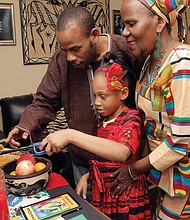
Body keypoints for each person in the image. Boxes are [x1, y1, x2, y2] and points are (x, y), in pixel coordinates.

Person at [5, 6, 132, 187]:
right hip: (84, 165)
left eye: (75, 49)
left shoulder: (125, 48)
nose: (70, 57)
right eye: (65, 50)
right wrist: (26, 126)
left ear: (94, 35)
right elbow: (45, 101)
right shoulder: (61, 61)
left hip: (124, 163)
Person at [40, 50, 152, 220]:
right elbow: (105, 161)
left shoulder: (131, 118)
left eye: (103, 96)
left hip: (126, 198)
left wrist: (71, 135)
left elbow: (121, 152)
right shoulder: (104, 121)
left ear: (123, 93)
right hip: (105, 196)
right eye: (94, 96)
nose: (97, 102)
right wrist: (87, 176)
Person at [107, 0, 190, 219]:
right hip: (161, 174)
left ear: (160, 22)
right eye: (123, 25)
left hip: (183, 181)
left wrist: (134, 170)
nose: (124, 32)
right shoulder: (148, 63)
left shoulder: (182, 64)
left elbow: (180, 141)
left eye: (132, 23)